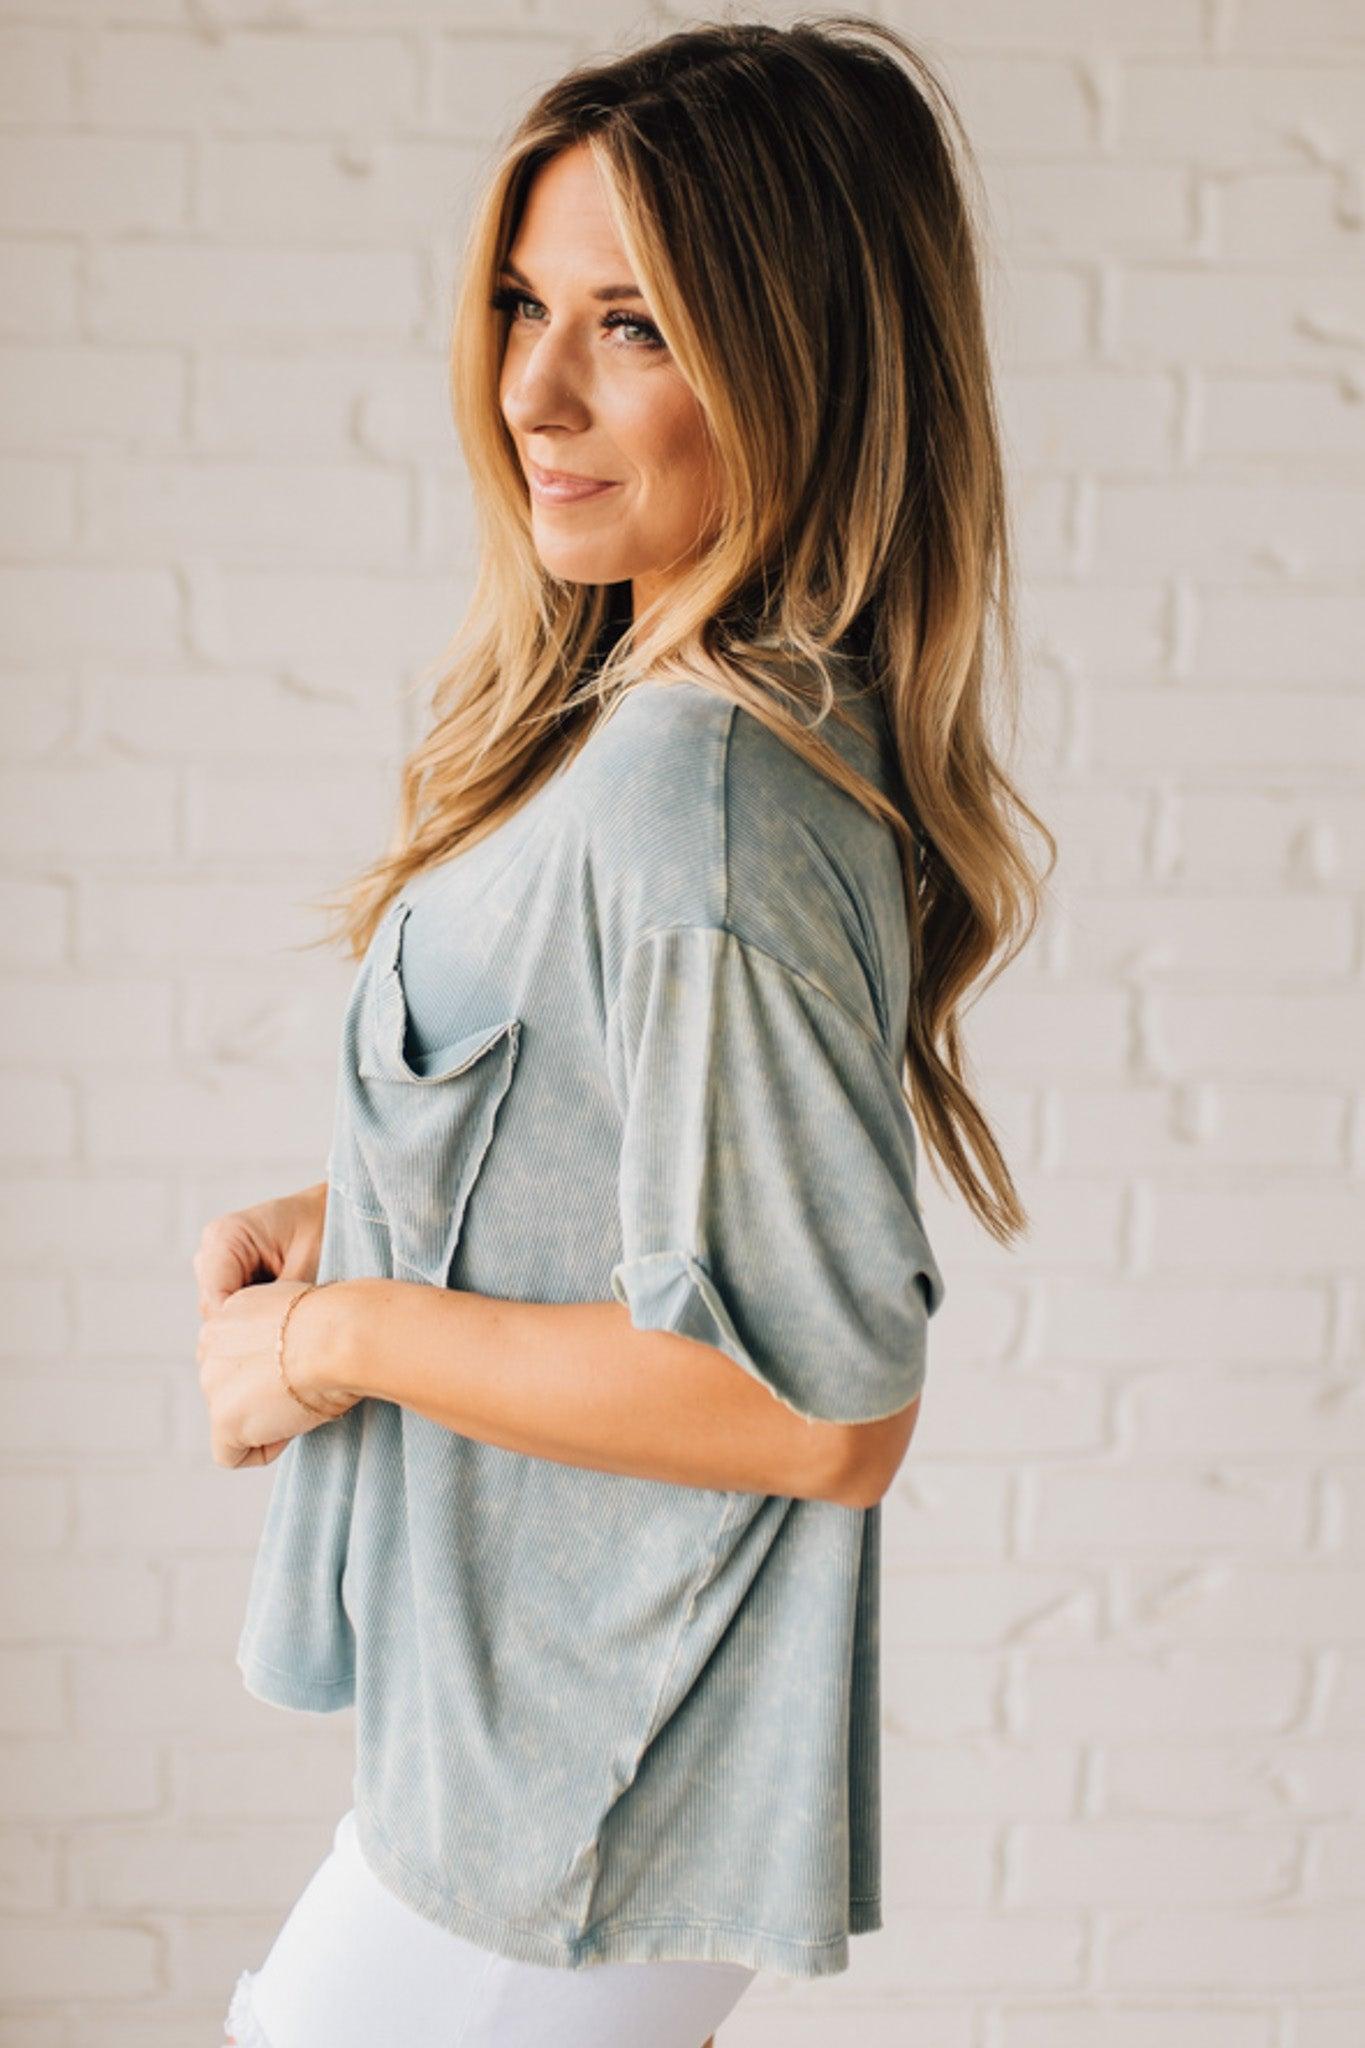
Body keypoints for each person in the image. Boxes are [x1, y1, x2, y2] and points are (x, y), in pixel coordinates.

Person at [197, 17, 1054, 2047]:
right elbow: (651, 1173)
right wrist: (377, 1208)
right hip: (531, 1772)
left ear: (798, 361)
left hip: (567, 1806)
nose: (530, 391)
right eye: (518, 302)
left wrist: (332, 1340)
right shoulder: (672, 733)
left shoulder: (704, 786)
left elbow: (813, 1403)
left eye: (633, 324)